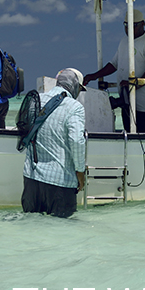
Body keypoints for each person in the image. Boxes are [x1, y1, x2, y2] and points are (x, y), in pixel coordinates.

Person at [82, 8, 145, 133]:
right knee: (129, 137)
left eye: (134, 25)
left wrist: (133, 84)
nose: (129, 29)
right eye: (126, 25)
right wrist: (94, 76)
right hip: (128, 103)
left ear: (142, 24)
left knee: (144, 139)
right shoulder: (124, 41)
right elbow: (114, 64)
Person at [21, 68, 87, 218]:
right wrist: (80, 172)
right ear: (74, 86)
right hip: (60, 182)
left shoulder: (36, 99)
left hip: (31, 178)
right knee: (63, 229)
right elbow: (77, 141)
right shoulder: (75, 107)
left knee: (30, 226)